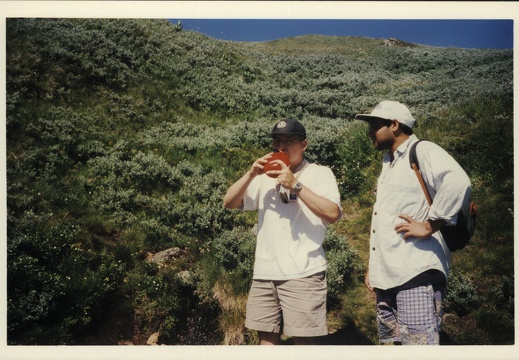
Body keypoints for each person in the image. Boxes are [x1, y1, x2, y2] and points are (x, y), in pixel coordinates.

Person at [355, 100, 471, 345]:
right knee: (394, 345)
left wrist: (430, 225)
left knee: (419, 347)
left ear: (395, 125)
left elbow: (458, 181)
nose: (369, 134)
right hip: (389, 275)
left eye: (374, 126)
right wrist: (373, 267)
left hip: (416, 274)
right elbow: (384, 220)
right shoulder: (389, 161)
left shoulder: (422, 151)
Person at [223, 118, 342, 345]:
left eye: (289, 140)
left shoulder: (320, 173)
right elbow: (229, 202)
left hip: (303, 272)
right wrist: (251, 174)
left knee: (305, 344)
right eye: (276, 141)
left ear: (304, 144)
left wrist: (295, 184)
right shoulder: (263, 177)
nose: (281, 147)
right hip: (264, 273)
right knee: (266, 343)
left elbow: (332, 213)